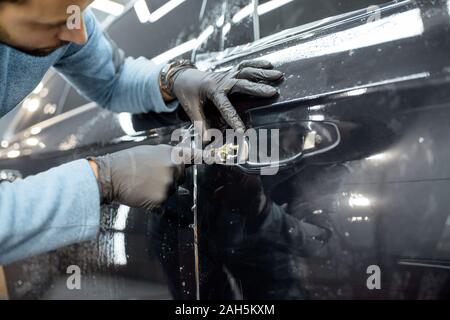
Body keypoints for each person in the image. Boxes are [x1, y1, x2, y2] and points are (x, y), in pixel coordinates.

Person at [0, 0, 283, 265]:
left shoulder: (64, 14)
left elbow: (113, 78)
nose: (78, 34)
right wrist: (101, 179)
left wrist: (171, 79)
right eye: (53, 25)